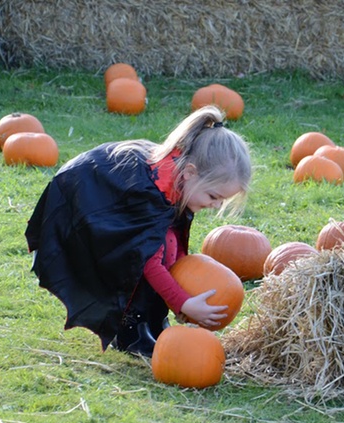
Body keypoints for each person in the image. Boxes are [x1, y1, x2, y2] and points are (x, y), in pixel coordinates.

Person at [25, 105, 252, 357]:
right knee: (139, 255)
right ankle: (129, 326)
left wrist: (176, 298)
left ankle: (152, 318)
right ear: (190, 174)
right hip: (85, 204)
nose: (216, 205)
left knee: (168, 245)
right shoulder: (149, 196)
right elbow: (147, 260)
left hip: (113, 198)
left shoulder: (181, 180)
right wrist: (183, 302)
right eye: (214, 196)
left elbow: (172, 245)